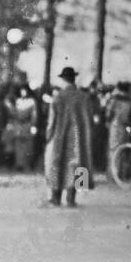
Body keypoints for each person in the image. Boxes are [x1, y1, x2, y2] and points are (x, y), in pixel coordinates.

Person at [43, 67, 93, 206]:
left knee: (56, 164)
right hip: (79, 137)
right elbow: (89, 118)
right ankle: (72, 198)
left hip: (59, 136)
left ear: (63, 79)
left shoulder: (58, 98)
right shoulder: (84, 97)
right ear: (74, 79)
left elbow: (51, 122)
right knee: (78, 164)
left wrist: (48, 137)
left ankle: (55, 197)